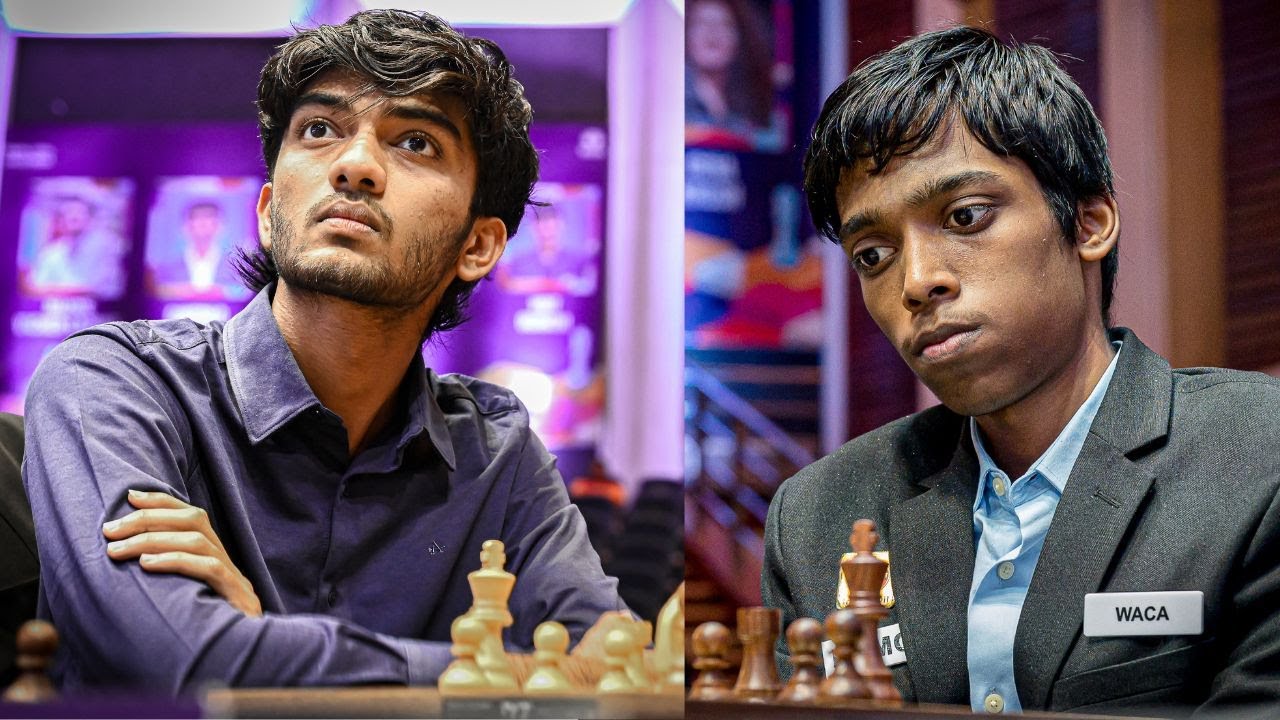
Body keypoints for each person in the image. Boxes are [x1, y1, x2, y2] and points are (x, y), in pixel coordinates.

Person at [22, 10, 626, 695]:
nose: (356, 165)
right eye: (320, 130)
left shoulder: (497, 450)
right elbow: (176, 664)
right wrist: (504, 676)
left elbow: (615, 675)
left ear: (477, 245)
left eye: (417, 142)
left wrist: (257, 636)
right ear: (269, 210)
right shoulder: (111, 382)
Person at [762, 26, 1280, 717]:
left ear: (1089, 223)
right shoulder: (819, 515)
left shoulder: (1258, 458)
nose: (917, 282)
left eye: (965, 216)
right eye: (872, 255)